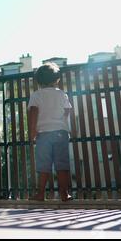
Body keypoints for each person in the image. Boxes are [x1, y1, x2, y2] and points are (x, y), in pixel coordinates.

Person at [28, 62, 73, 202]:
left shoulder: (36, 95)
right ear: (56, 79)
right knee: (62, 164)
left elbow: (33, 112)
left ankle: (40, 194)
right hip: (61, 132)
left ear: (39, 80)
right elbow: (68, 110)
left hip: (43, 133)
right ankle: (64, 194)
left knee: (43, 165)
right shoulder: (61, 94)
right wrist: (63, 122)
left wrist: (32, 132)